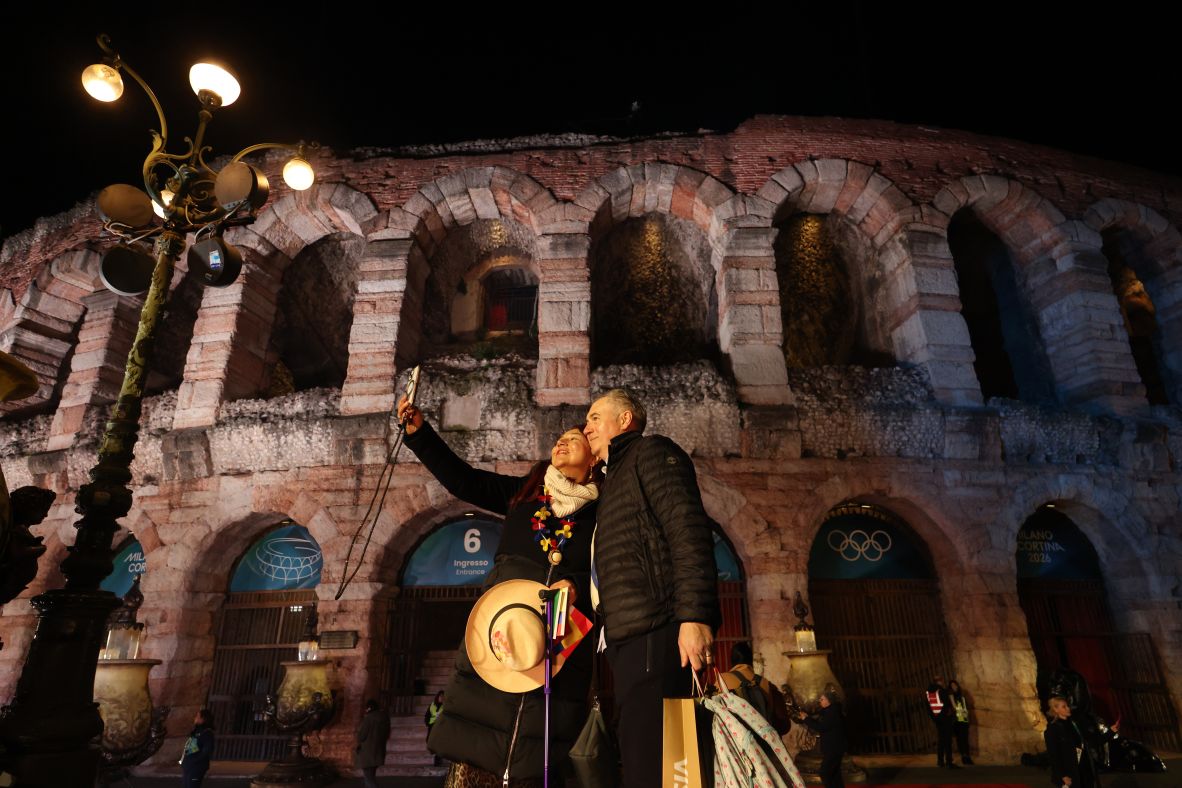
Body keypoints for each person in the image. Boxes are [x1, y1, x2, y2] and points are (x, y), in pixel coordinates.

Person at [398, 396, 602, 786]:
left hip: (560, 637)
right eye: (558, 438)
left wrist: (575, 584)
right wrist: (419, 434)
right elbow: (463, 480)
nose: (561, 442)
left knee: (541, 749)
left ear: (593, 459)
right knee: (481, 745)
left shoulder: (602, 512)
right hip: (503, 630)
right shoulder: (524, 495)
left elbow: (606, 570)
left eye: (574, 439)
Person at [583, 388, 719, 788]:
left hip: (655, 632)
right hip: (629, 638)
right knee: (649, 757)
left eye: (595, 417)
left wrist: (694, 616)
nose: (586, 426)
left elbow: (688, 531)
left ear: (625, 420)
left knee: (656, 762)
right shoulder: (613, 480)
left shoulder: (652, 453)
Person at [720, 641, 791, 735]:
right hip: (762, 744)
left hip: (734, 744)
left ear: (732, 661)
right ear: (751, 661)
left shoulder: (721, 681)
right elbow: (784, 726)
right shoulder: (765, 684)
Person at [1045, 695, 1101, 788]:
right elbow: (1054, 755)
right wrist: (1063, 775)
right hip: (1070, 773)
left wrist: (1111, 732)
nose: (1068, 708)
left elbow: (1091, 740)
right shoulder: (1052, 730)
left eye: (1067, 706)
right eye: (1064, 707)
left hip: (1084, 770)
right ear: (1056, 710)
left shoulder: (1074, 724)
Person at [796, 691, 847, 788]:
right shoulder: (829, 710)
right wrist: (807, 717)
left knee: (825, 773)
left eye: (822, 699)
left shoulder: (833, 713)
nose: (820, 701)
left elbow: (821, 727)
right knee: (835, 774)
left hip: (834, 748)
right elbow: (819, 720)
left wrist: (806, 719)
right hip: (834, 748)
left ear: (829, 701)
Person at [356, 698, 390, 787]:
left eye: (366, 708)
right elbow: (387, 734)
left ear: (369, 708)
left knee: (369, 779)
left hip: (367, 753)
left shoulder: (368, 719)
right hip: (378, 751)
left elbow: (361, 736)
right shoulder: (385, 718)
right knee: (370, 776)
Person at [925, 674, 956, 769]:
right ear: (940, 681)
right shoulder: (942, 691)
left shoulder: (928, 692)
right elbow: (947, 704)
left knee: (941, 740)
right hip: (945, 718)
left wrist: (934, 719)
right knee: (947, 740)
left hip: (937, 719)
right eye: (942, 680)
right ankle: (949, 762)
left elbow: (928, 708)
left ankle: (940, 761)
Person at [179, 708, 215, 787]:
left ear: (203, 719)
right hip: (189, 766)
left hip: (196, 767)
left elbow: (206, 750)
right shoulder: (197, 731)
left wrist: (194, 761)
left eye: (197, 716)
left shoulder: (207, 733)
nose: (195, 718)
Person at [948, 679, 973, 765]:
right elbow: (954, 707)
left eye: (955, 685)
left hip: (964, 719)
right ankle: (963, 756)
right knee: (960, 739)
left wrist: (967, 717)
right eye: (952, 686)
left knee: (965, 739)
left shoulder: (962, 696)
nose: (954, 687)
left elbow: (965, 707)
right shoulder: (951, 696)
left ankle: (967, 756)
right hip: (957, 720)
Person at [424, 691, 444, 766]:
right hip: (432, 726)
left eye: (443, 697)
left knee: (438, 743)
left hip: (440, 727)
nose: (441, 698)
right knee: (429, 740)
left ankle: (438, 759)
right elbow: (427, 715)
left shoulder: (445, 706)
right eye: (440, 696)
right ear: (437, 697)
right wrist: (427, 723)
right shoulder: (432, 705)